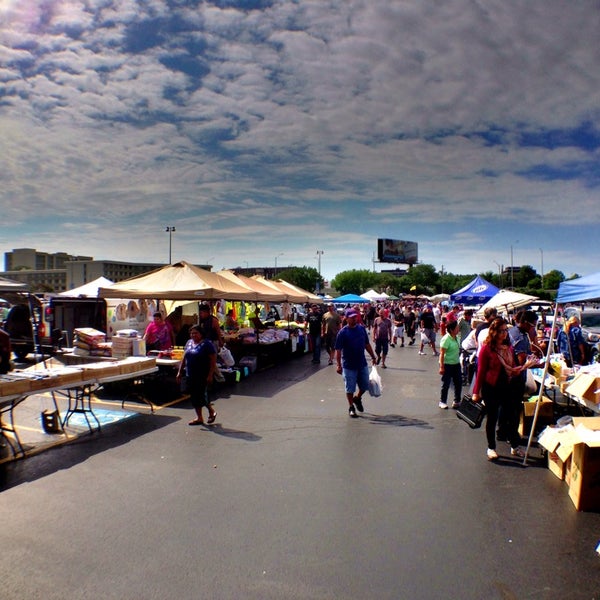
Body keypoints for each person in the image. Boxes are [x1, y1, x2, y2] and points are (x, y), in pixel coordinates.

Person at [472, 318, 535, 461]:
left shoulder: (509, 347)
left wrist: (524, 367)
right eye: (501, 331)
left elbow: (513, 367)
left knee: (511, 417)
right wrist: (476, 392)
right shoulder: (487, 349)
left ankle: (515, 446)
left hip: (508, 386)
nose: (505, 333)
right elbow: (481, 371)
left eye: (506, 330)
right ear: (494, 332)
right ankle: (491, 448)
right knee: (492, 418)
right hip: (491, 387)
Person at [335, 308, 377, 418]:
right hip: (349, 365)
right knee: (350, 388)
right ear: (346, 318)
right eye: (352, 317)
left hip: (361, 363)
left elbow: (367, 344)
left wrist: (373, 356)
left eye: (355, 317)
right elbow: (338, 350)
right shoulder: (342, 333)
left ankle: (357, 398)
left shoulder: (361, 329)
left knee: (365, 385)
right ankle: (351, 407)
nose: (355, 318)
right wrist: (338, 365)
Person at [176, 325, 218, 426]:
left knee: (201, 395)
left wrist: (210, 375)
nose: (193, 335)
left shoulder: (207, 344)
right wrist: (179, 372)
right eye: (191, 333)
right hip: (190, 373)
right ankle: (199, 417)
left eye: (195, 333)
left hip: (202, 374)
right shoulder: (189, 343)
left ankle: (211, 411)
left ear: (201, 333)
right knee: (194, 396)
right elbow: (184, 357)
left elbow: (213, 361)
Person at [438, 320, 462, 409]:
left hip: (456, 363)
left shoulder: (457, 337)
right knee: (446, 384)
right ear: (452, 330)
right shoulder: (446, 339)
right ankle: (442, 401)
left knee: (458, 382)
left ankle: (457, 401)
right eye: (457, 327)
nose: (458, 329)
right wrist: (441, 367)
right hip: (447, 364)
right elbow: (442, 353)